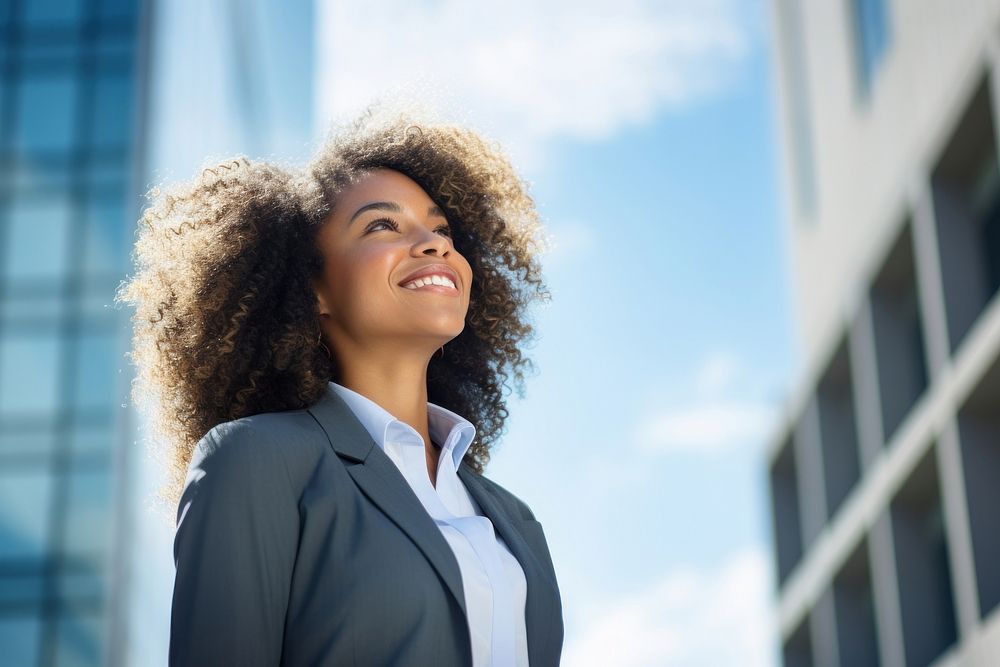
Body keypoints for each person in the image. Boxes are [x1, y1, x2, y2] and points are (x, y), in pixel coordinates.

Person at [116, 106, 563, 666]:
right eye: (383, 224)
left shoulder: (515, 520)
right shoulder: (257, 460)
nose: (434, 244)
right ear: (313, 291)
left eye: (442, 228)